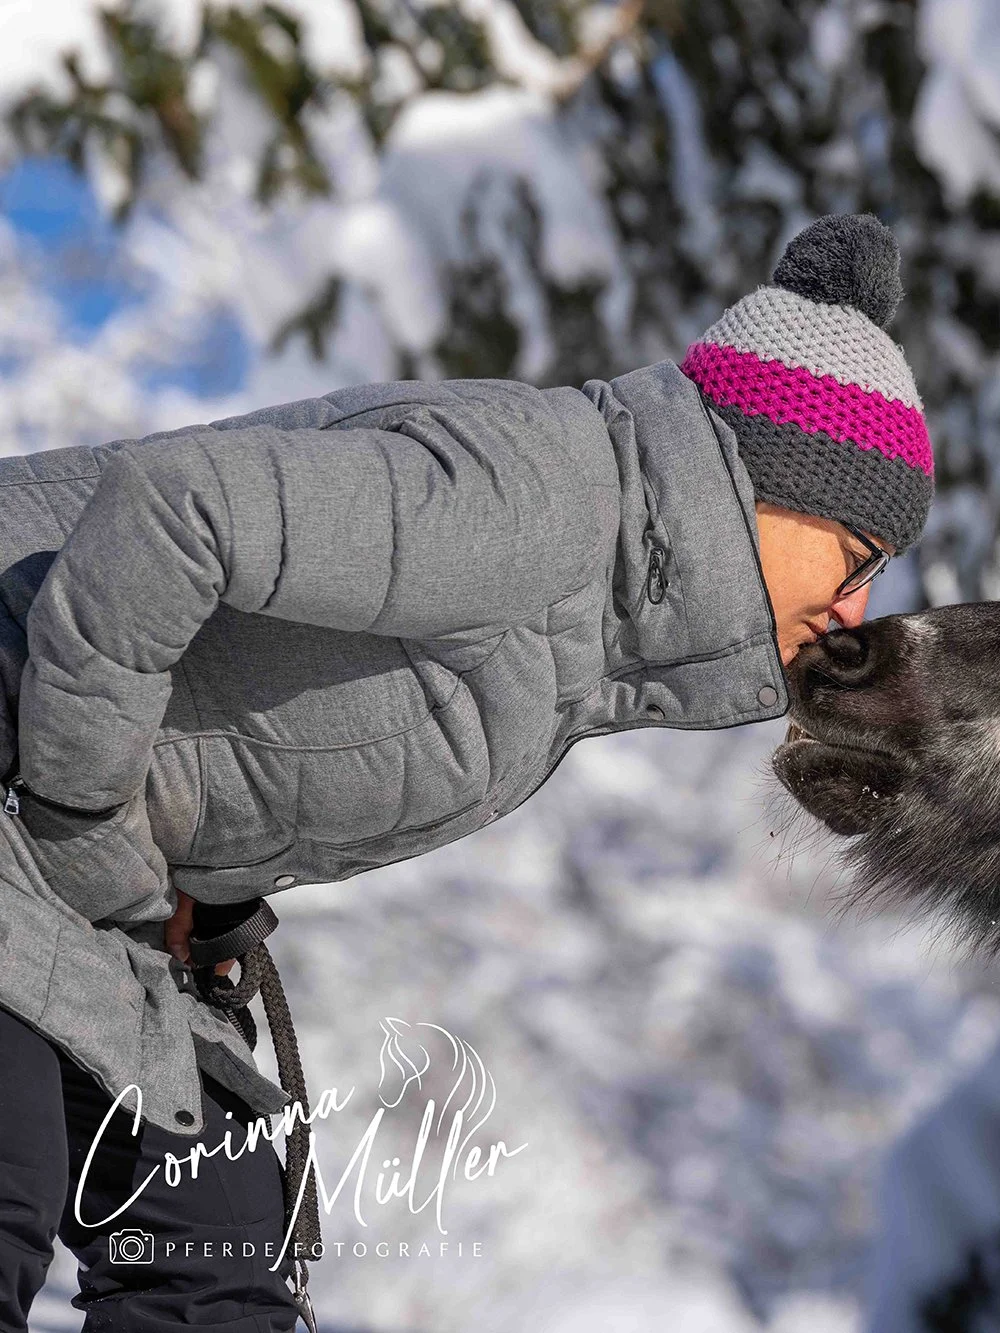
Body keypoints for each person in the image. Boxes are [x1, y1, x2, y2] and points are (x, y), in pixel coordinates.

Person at [0, 213, 931, 1333]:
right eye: (858, 556)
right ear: (778, 480)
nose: (856, 607)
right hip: (28, 758)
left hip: (87, 864)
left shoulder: (584, 642)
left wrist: (209, 883)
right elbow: (173, 511)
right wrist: (84, 806)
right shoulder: (539, 500)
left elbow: (265, 718)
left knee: (220, 1263)